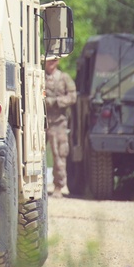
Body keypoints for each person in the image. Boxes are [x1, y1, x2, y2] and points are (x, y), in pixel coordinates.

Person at [44, 54, 77, 197]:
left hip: (58, 122)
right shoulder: (38, 77)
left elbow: (72, 97)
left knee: (59, 154)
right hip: (40, 122)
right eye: (49, 60)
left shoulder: (64, 78)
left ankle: (58, 186)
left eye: (54, 60)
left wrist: (56, 101)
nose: (52, 63)